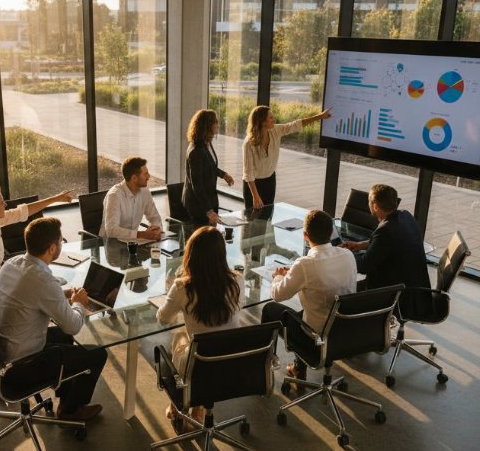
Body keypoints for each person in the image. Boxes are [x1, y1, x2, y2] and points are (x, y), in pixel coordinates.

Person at [0, 217, 106, 421]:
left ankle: (65, 398)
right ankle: (71, 411)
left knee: (61, 337)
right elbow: (74, 326)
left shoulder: (12, 263)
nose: (61, 244)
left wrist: (65, 293)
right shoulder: (43, 280)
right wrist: (79, 303)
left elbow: (33, 292)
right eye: (60, 241)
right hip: (22, 366)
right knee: (97, 354)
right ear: (52, 249)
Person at [156, 226, 243, 422]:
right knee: (200, 339)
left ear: (190, 255)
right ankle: (198, 407)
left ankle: (182, 403)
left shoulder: (182, 287)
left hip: (197, 363)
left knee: (179, 334)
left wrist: (172, 297)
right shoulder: (238, 282)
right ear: (222, 254)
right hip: (232, 360)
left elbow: (163, 319)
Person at [260, 209, 357, 380]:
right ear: (330, 232)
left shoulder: (305, 264)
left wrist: (279, 277)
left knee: (271, 309)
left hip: (316, 339)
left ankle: (263, 369)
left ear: (305, 235)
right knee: (308, 312)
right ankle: (298, 367)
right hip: (346, 333)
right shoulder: (348, 255)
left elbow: (277, 294)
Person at [341, 184, 430, 314]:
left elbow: (364, 266)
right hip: (416, 290)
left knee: (340, 295)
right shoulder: (405, 216)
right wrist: (360, 245)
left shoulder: (385, 230)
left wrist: (342, 255)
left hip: (396, 296)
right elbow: (388, 242)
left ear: (375, 206)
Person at [242, 105, 331, 210]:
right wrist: (255, 196)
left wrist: (319, 116)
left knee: (267, 217)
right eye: (270, 117)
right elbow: (248, 173)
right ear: (262, 121)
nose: (274, 119)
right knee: (252, 220)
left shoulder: (276, 130)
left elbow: (294, 125)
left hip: (270, 181)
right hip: (253, 185)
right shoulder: (248, 143)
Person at [182, 109, 234, 225]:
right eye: (215, 122)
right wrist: (209, 211)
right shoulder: (196, 151)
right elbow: (197, 184)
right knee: (203, 239)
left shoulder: (206, 143)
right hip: (198, 205)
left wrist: (223, 174)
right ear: (207, 126)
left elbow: (210, 165)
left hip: (209, 199)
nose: (218, 125)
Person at [99, 156, 163, 241]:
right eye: (145, 174)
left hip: (133, 242)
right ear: (134, 178)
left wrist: (156, 229)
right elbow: (111, 230)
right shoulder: (114, 195)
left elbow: (154, 217)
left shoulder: (145, 192)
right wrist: (141, 234)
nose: (149, 176)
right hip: (111, 244)